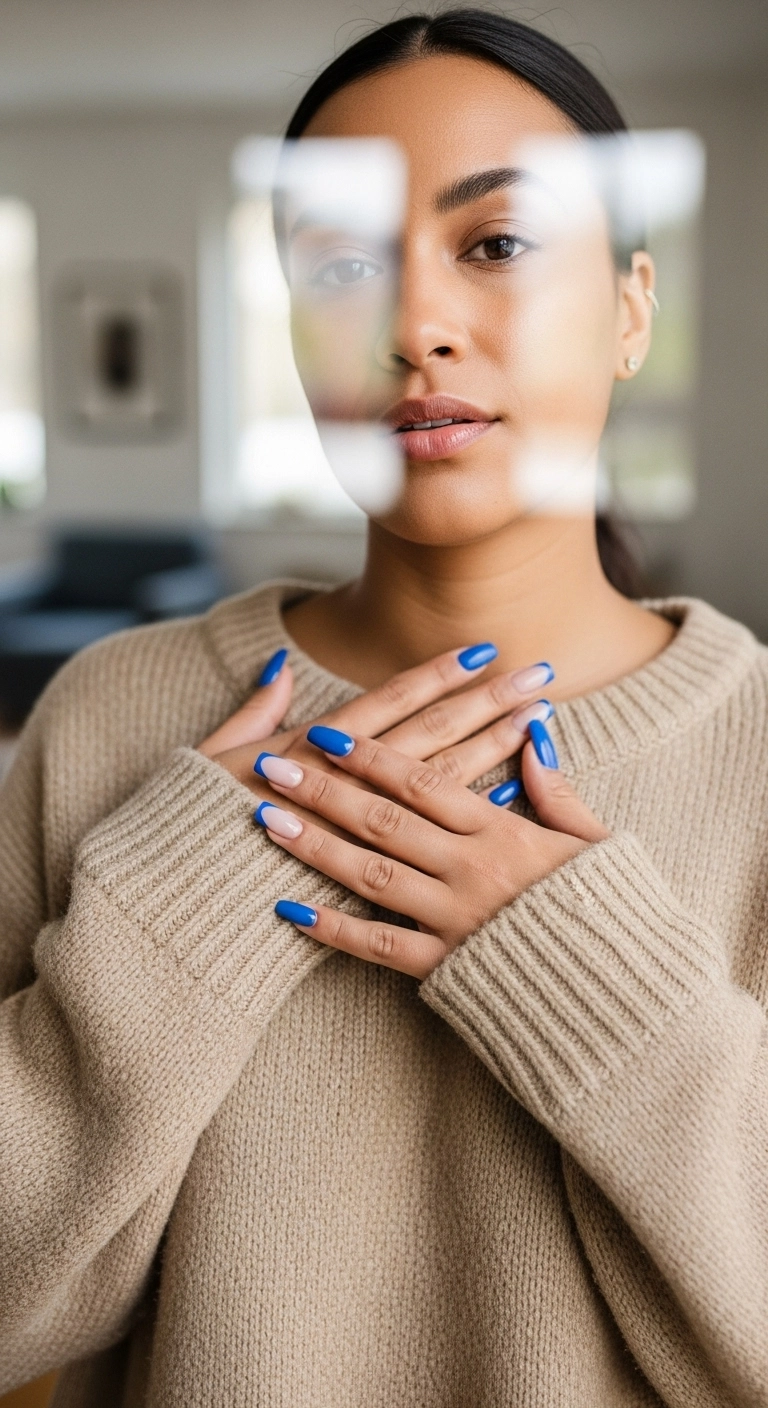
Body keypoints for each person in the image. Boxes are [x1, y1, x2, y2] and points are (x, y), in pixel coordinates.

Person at [1, 11, 766, 1407]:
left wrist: (584, 971)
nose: (412, 324)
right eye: (341, 264)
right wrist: (179, 912)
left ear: (633, 308)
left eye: (497, 246)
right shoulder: (112, 718)